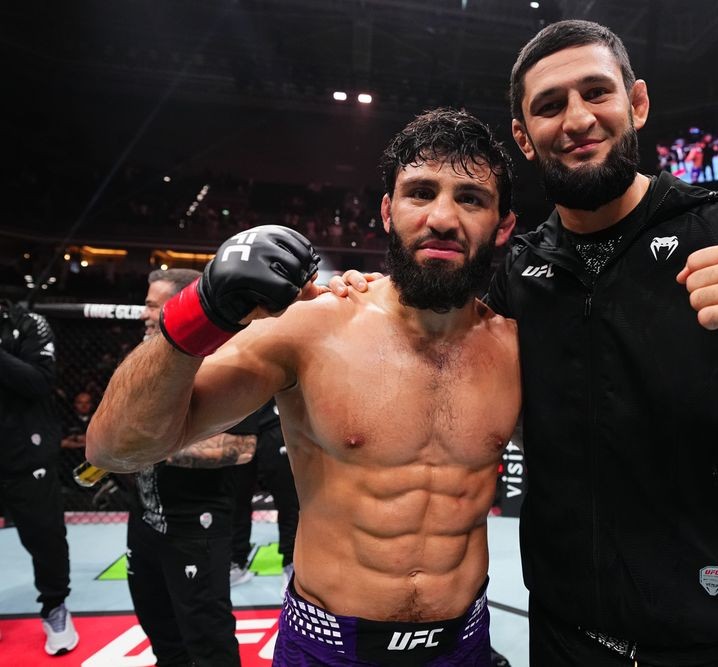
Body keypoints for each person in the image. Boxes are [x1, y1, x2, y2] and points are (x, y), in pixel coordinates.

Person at [334, 19, 718, 666]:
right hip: (568, 639)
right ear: (524, 135)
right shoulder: (520, 270)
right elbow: (429, 329)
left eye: (596, 93)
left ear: (638, 103)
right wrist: (363, 297)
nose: (576, 119)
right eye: (549, 105)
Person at [88, 108, 521, 666]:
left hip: (463, 645)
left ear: (503, 225)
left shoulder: (515, 348)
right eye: (420, 192)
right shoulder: (313, 326)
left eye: (471, 198)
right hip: (327, 648)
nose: (442, 217)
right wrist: (202, 309)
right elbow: (113, 448)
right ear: (388, 212)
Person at [125, 268, 260, 666]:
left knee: (208, 641)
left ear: (182, 307)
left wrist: (145, 446)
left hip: (194, 528)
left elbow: (241, 448)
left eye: (153, 305)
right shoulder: (145, 357)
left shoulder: (225, 360)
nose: (145, 314)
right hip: (146, 520)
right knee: (161, 635)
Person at [0, 299, 79, 656]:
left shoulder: (29, 323)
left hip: (26, 451)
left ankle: (54, 607)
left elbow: (39, 381)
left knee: (44, 535)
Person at [229, 397, 300, 591]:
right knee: (237, 497)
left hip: (275, 419)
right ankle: (236, 561)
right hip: (237, 421)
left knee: (288, 499)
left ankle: (291, 564)